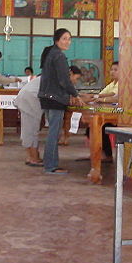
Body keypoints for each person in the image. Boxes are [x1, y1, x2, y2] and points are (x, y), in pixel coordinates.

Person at [38, 29, 85, 174]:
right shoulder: (58, 56)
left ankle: (50, 163)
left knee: (53, 131)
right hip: (55, 98)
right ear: (57, 40)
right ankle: (51, 166)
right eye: (64, 39)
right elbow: (64, 80)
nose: (68, 42)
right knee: (54, 132)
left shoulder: (51, 53)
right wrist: (75, 95)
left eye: (69, 39)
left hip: (47, 97)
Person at [16, 65, 81, 167]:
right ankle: (32, 158)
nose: (75, 82)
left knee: (31, 128)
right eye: (76, 78)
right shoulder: (59, 79)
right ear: (71, 74)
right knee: (31, 129)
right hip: (30, 99)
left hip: (30, 98)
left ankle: (32, 156)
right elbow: (71, 99)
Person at [85, 61, 119, 161]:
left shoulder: (123, 84)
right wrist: (92, 96)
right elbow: (102, 94)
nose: (112, 72)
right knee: (92, 128)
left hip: (120, 116)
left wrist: (99, 99)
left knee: (101, 128)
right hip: (108, 113)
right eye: (111, 69)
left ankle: (106, 155)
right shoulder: (112, 83)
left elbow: (114, 96)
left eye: (116, 70)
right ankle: (99, 154)